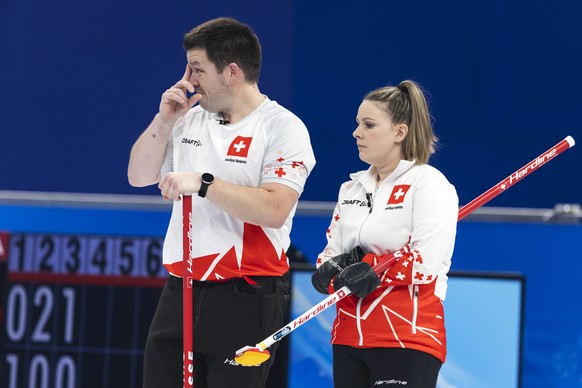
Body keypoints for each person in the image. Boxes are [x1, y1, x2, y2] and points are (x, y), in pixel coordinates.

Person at [127, 17, 316, 388]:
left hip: (247, 293)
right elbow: (138, 176)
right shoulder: (189, 120)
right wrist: (164, 121)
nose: (189, 80)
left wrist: (203, 184)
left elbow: (275, 209)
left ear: (231, 71)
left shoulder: (282, 127)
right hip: (180, 289)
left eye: (197, 69)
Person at [311, 80, 458, 388]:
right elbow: (330, 253)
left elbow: (426, 263)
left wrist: (370, 265)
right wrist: (331, 271)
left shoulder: (429, 184)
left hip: (406, 334)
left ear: (399, 132)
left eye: (368, 125)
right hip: (349, 335)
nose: (356, 133)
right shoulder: (350, 189)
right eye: (357, 124)